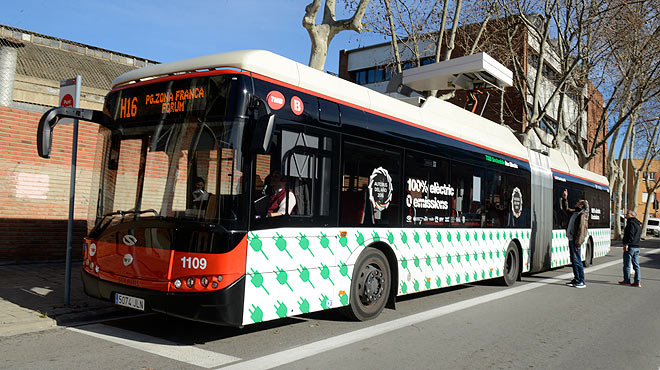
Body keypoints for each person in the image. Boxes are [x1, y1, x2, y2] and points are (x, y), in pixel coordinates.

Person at [565, 199, 589, 288]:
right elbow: (566, 209)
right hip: (571, 239)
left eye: (578, 202)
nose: (576, 203)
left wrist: (577, 243)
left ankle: (581, 281)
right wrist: (565, 199)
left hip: (575, 241)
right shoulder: (576, 212)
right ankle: (576, 278)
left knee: (577, 260)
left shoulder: (582, 215)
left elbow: (581, 230)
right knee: (574, 260)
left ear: (581, 205)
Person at [619, 209, 642, 287]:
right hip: (637, 246)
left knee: (627, 264)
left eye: (627, 214)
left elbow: (630, 235)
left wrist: (626, 244)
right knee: (636, 264)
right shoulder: (638, 224)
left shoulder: (630, 223)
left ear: (632, 215)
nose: (626, 215)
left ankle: (627, 280)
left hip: (631, 246)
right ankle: (637, 281)